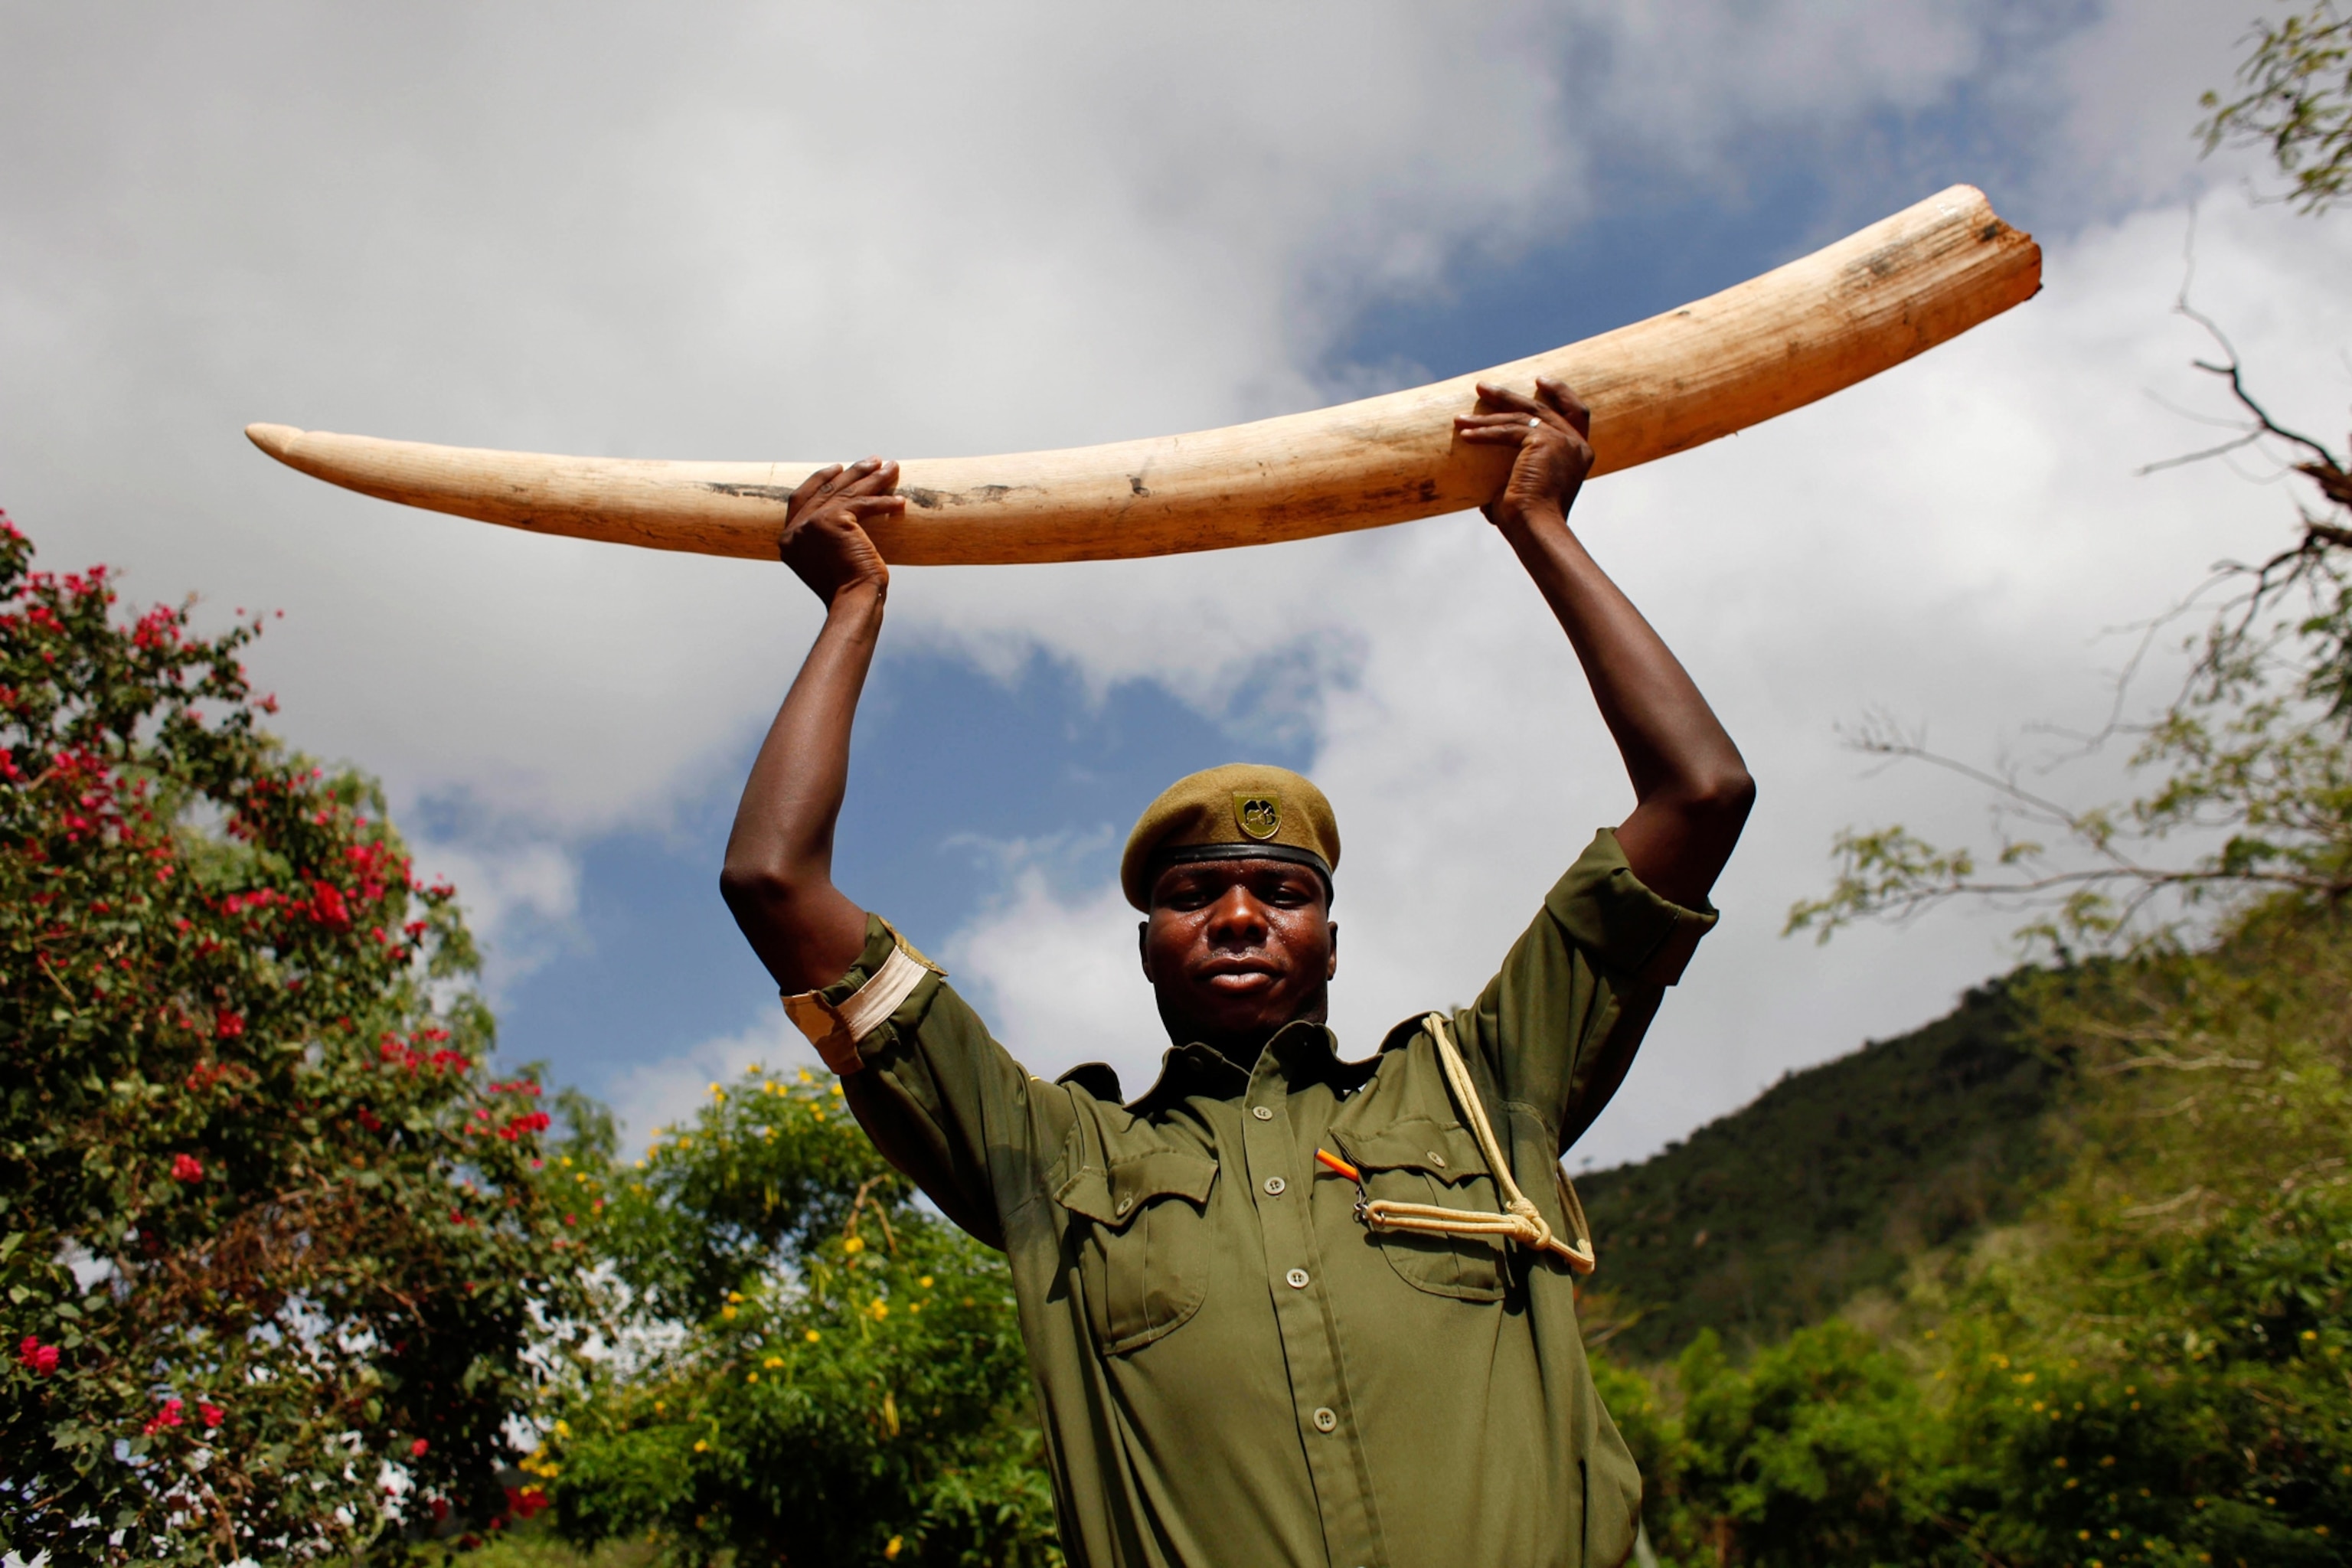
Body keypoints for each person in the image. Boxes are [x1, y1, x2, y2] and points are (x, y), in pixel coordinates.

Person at [720, 378, 1753, 1568]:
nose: (1238, 915)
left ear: (1330, 936)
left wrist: (1538, 524)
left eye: (1282, 890)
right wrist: (853, 601)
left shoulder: (1481, 1089)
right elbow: (774, 882)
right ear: (1147, 940)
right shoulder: (1054, 1161)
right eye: (1191, 893)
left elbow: (1699, 793)